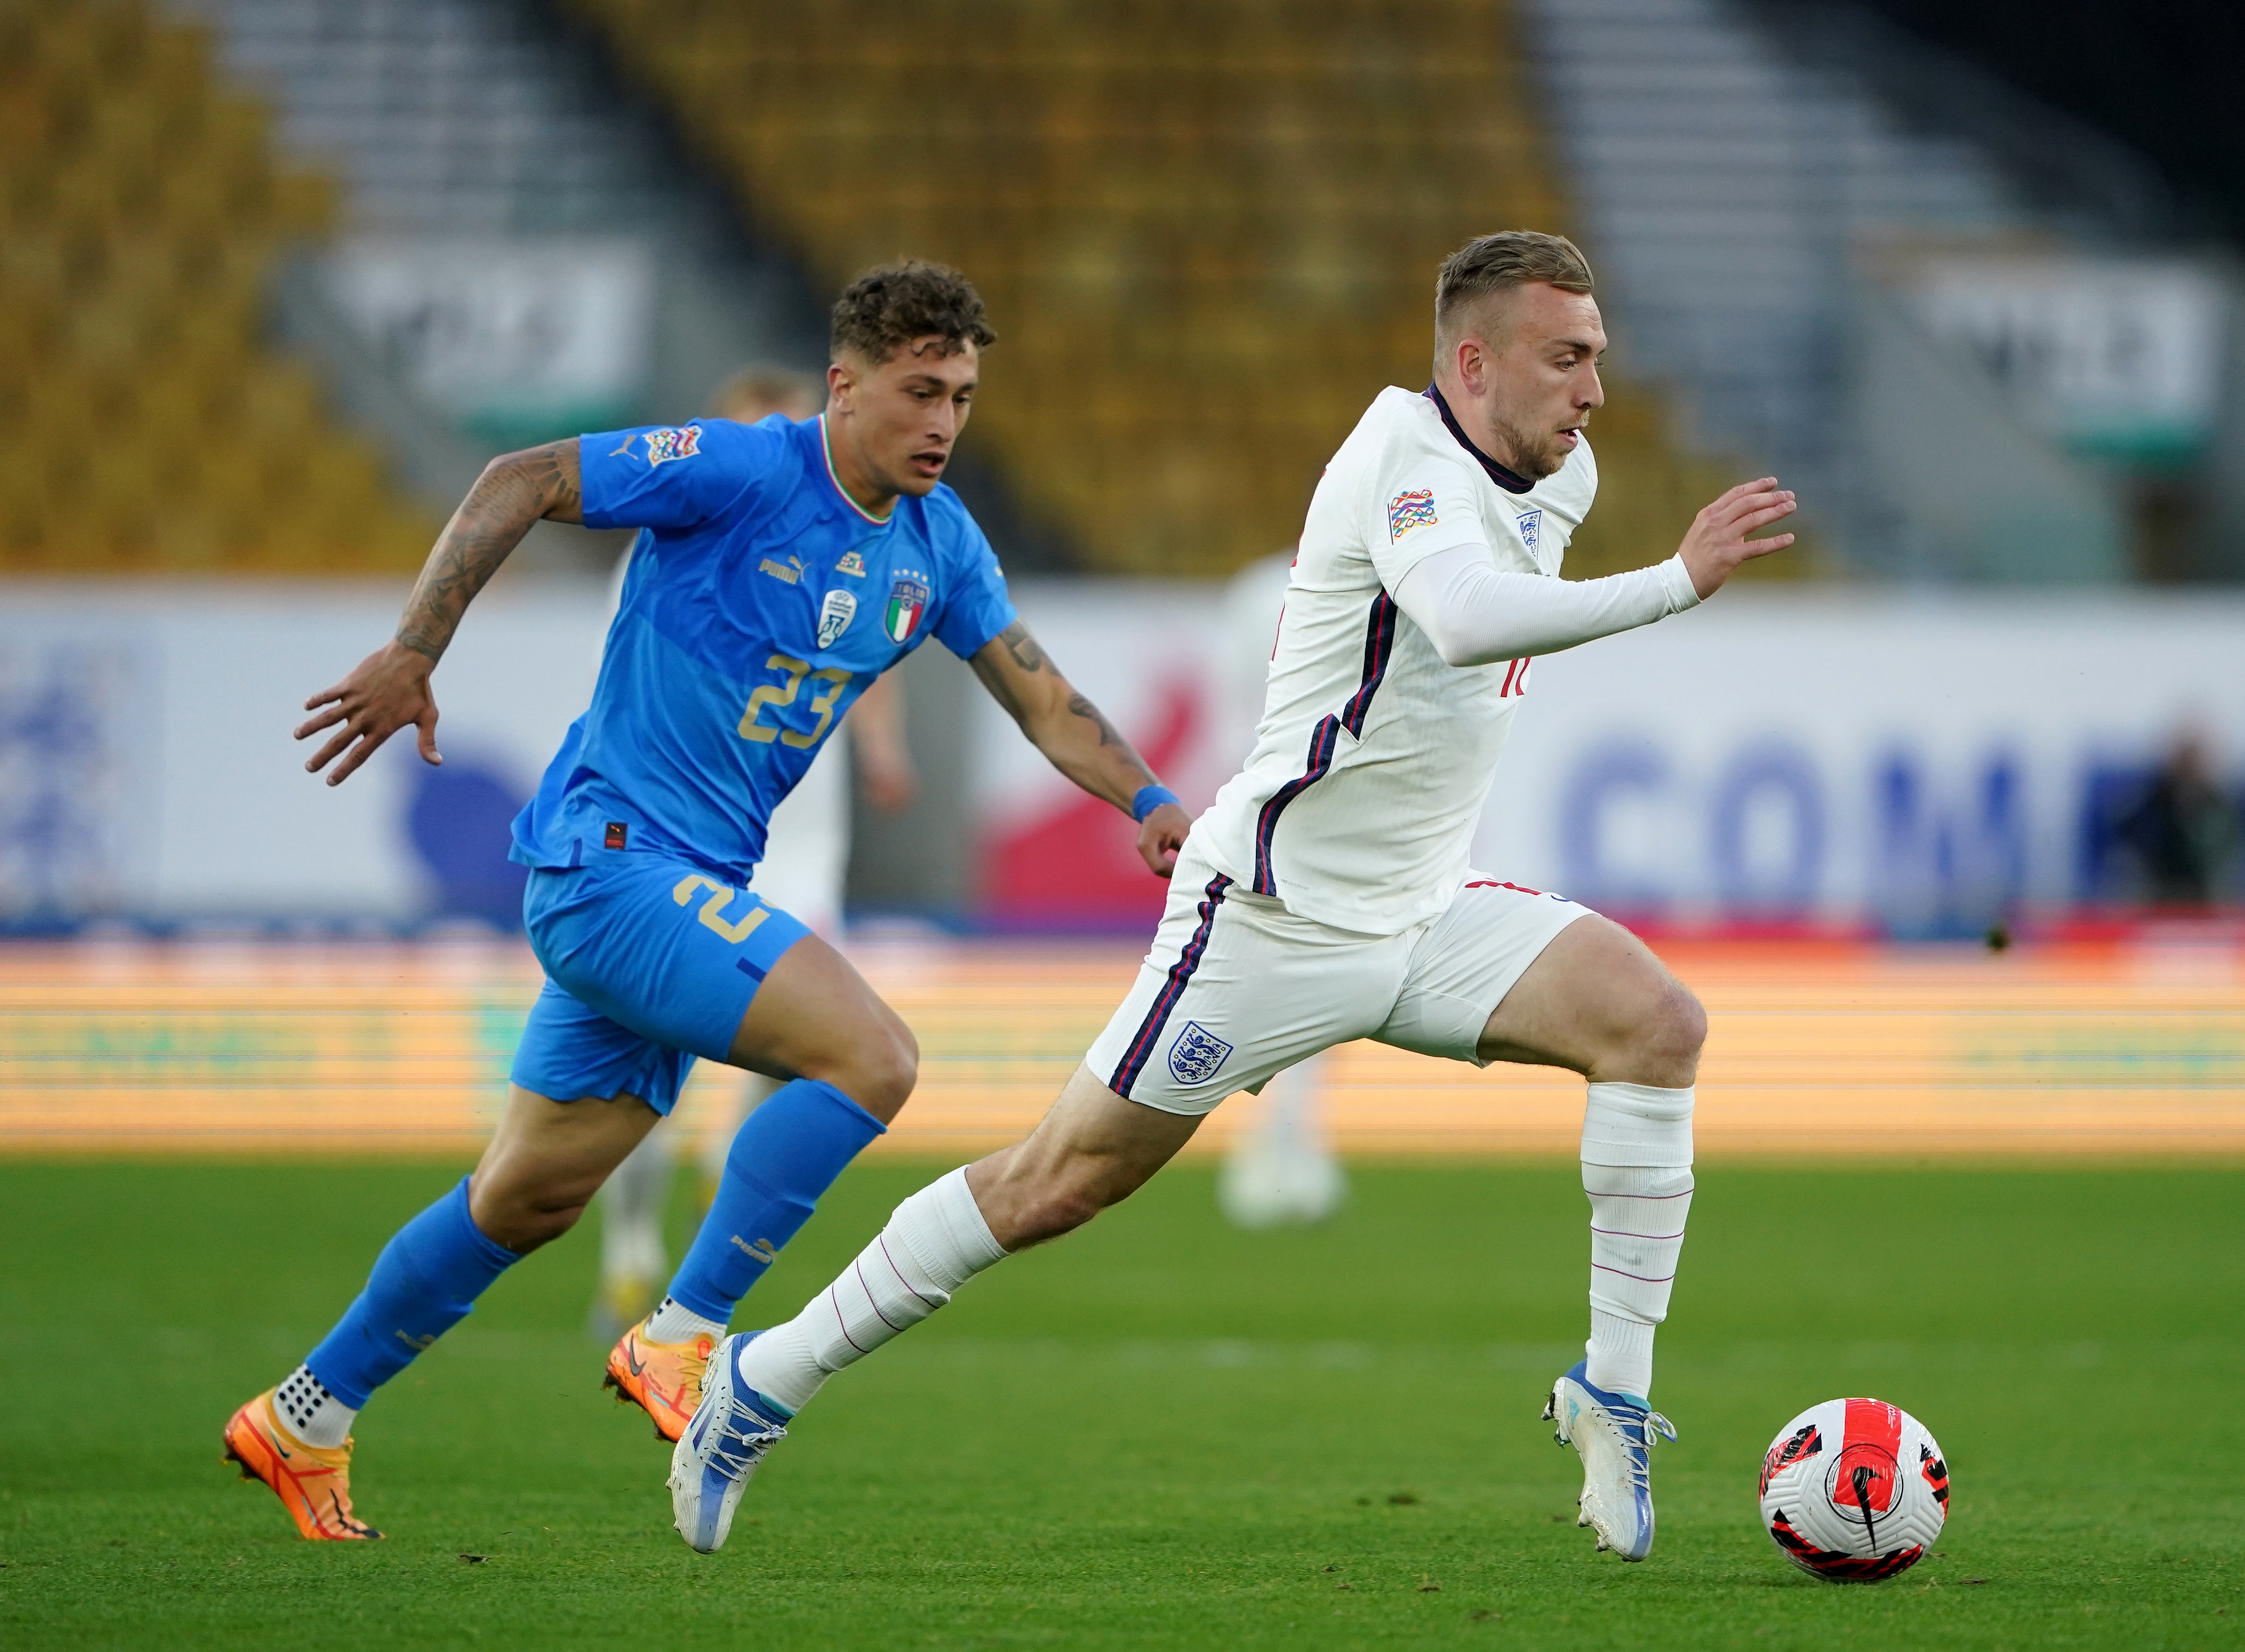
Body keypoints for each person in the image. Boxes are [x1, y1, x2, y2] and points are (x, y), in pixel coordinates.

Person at [667, 231, 1797, 1562]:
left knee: (1657, 1026)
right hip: (1270, 918)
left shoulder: (1567, 468)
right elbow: (1463, 618)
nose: (1595, 389)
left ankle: (1612, 1394)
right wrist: (1676, 583)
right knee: (1052, 1186)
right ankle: (761, 1382)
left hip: (1427, 912)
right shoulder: (1400, 459)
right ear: (1475, 361)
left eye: (1599, 357)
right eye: (1567, 359)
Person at [224, 261, 1192, 1540]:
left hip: (676, 889)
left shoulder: (939, 545)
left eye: (961, 395)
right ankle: (683, 1335)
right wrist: (414, 649)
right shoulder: (740, 470)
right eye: (918, 392)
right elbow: (519, 478)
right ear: (844, 388)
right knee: (871, 1057)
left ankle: (306, 1413)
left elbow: (1046, 701)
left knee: (525, 1200)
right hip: (612, 864)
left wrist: (1152, 805)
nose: (944, 424)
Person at [584, 366, 920, 1345]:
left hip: (805, 846)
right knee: (655, 1067)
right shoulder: (673, 535)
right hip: (684, 840)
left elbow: (874, 646)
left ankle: (713, 1212)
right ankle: (630, 1247)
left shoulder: (835, 536)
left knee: (806, 1058)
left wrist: (883, 743)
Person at [1212, 551, 1346, 1229]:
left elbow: (1231, 701)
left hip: (1260, 798)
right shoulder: (1374, 578)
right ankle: (1285, 1152)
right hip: (1324, 805)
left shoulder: (1258, 587)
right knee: (1320, 987)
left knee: (1275, 982)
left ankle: (1276, 1148)